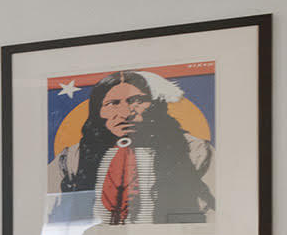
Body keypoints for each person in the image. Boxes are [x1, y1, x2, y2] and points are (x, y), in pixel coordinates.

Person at [48, 71, 214, 225]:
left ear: (155, 106)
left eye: (138, 101)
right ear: (98, 110)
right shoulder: (72, 157)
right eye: (112, 103)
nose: (125, 112)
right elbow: (45, 212)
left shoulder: (195, 150)